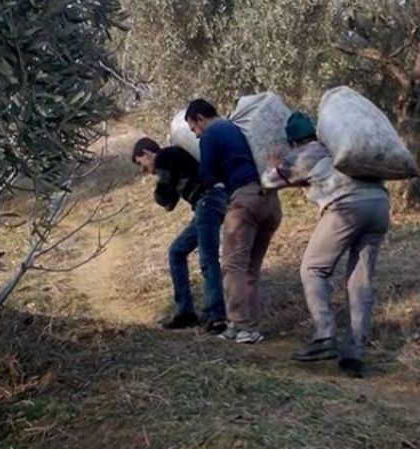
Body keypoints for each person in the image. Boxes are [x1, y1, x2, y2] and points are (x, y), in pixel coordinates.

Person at [263, 112, 389, 378]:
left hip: (347, 207)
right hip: (380, 205)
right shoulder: (336, 149)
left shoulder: (302, 154)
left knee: (313, 269)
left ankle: (324, 337)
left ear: (293, 141)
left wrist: (275, 165)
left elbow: (269, 181)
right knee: (360, 282)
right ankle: (354, 354)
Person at [185, 99, 282, 344]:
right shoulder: (235, 128)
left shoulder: (211, 133)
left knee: (232, 266)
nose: (196, 135)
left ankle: (241, 325)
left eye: (194, 129)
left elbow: (206, 174)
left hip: (244, 201)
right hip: (270, 200)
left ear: (199, 118)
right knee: (250, 268)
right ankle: (247, 326)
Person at [131, 137, 227, 333]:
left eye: (141, 163)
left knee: (208, 258)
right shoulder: (173, 160)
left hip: (207, 201)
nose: (144, 170)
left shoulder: (166, 156)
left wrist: (161, 191)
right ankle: (186, 312)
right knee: (176, 251)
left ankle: (216, 317)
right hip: (206, 204)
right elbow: (170, 200)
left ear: (148, 154)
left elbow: (164, 196)